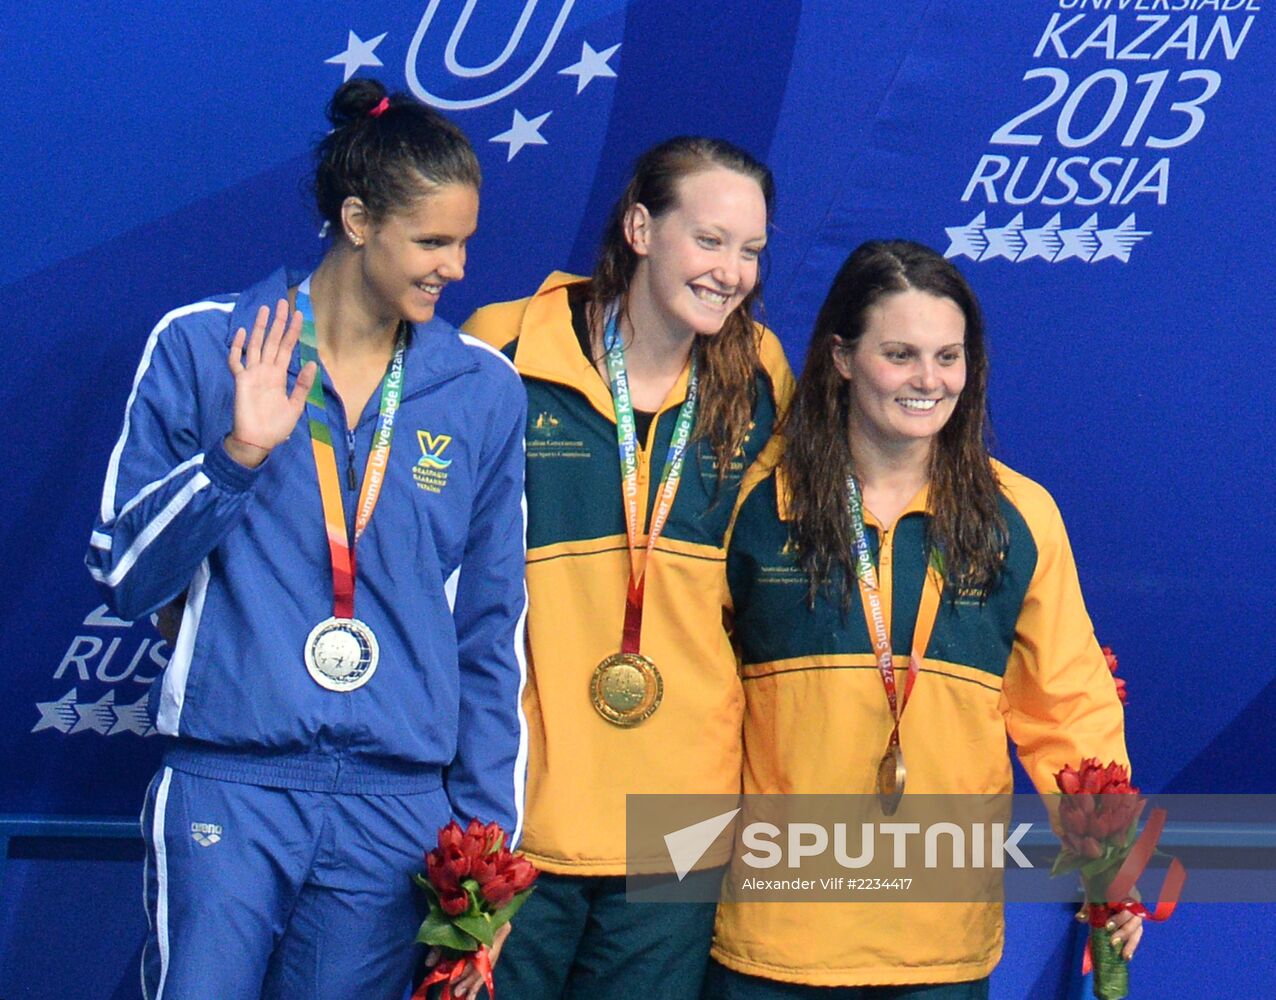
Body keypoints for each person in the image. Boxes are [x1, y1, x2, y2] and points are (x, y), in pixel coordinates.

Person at [86, 78, 528, 1000]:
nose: (456, 268)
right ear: (358, 219)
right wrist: (236, 456)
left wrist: (484, 835)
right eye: (434, 241)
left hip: (397, 808)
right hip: (231, 783)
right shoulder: (208, 348)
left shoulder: (481, 390)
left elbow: (490, 631)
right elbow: (125, 574)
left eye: (464, 242)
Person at [705, 240, 1140, 997]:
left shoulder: (1017, 515)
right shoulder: (754, 502)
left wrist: (1111, 862)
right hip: (775, 934)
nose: (928, 381)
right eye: (900, 354)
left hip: (938, 942)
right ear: (841, 357)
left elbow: (1068, 706)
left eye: (949, 356)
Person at [462, 136, 794, 998]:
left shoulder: (759, 374)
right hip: (526, 807)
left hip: (680, 823)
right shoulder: (503, 347)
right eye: (710, 239)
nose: (732, 271)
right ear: (641, 228)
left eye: (752, 249)